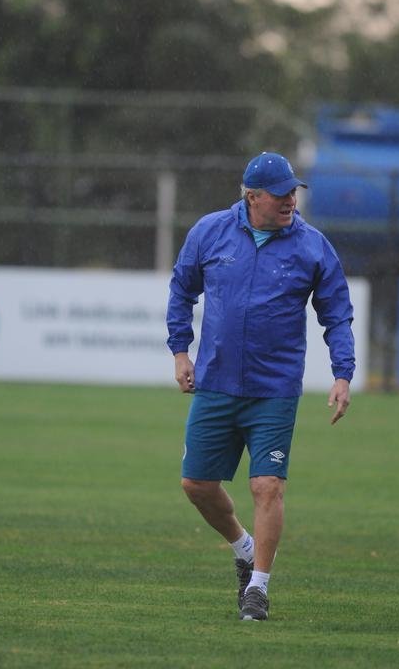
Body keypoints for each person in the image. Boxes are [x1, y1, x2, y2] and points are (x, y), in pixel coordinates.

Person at [166, 151, 355, 621]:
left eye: (295, 191)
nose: (292, 199)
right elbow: (181, 288)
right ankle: (243, 547)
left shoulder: (312, 246)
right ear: (252, 196)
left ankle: (259, 588)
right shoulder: (210, 232)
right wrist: (180, 351)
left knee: (267, 487)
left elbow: (337, 314)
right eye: (281, 193)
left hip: (274, 389)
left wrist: (342, 374)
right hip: (217, 384)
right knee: (196, 485)